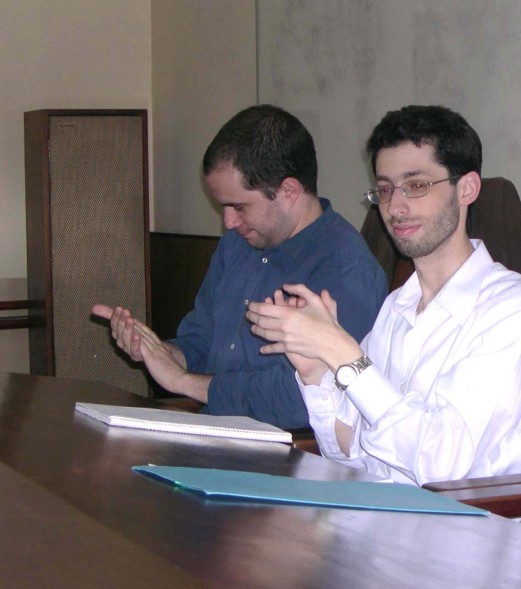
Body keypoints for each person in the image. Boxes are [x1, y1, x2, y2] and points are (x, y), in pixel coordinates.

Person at [246, 105, 521, 485]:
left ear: (466, 188)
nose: (395, 207)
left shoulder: (516, 312)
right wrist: (316, 371)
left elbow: (442, 469)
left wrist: (341, 352)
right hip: (372, 522)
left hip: (459, 535)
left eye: (416, 186)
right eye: (384, 190)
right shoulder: (397, 306)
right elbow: (350, 453)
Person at [92, 104, 387, 429]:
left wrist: (183, 383)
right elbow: (200, 342)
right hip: (215, 435)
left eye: (239, 206)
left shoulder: (345, 266)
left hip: (288, 454)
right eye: (223, 206)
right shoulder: (239, 243)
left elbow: (301, 401)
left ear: (288, 191)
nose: (228, 222)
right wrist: (157, 352)